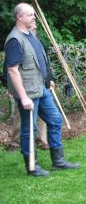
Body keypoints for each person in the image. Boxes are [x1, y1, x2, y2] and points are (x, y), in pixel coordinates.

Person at [4, 3, 80, 177]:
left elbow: (40, 61)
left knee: (55, 120)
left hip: (42, 88)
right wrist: (23, 98)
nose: (33, 18)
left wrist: (48, 79)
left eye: (33, 15)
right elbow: (12, 70)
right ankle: (32, 166)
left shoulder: (31, 35)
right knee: (29, 129)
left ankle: (58, 161)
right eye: (30, 15)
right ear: (19, 17)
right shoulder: (15, 40)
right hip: (28, 93)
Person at [3, 22, 50, 150]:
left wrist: (49, 79)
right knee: (23, 117)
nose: (33, 29)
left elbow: (45, 63)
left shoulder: (38, 43)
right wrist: (8, 84)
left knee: (42, 116)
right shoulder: (17, 42)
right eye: (32, 27)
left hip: (40, 85)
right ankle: (15, 142)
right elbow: (9, 66)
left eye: (35, 28)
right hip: (25, 87)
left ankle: (41, 140)